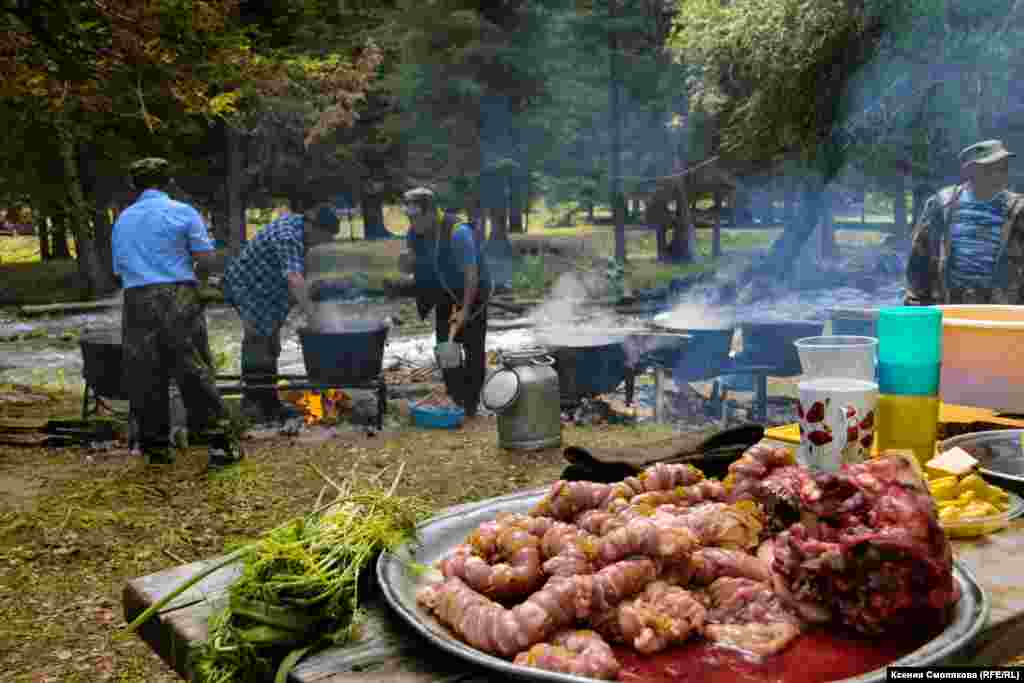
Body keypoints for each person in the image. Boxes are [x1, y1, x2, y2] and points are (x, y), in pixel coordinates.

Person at [111, 158, 239, 467]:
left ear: (134, 186)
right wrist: (202, 276)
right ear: (169, 183)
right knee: (192, 369)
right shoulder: (183, 212)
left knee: (145, 373)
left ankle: (155, 449)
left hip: (137, 300)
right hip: (178, 295)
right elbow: (206, 259)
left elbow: (119, 269)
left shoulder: (123, 220)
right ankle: (219, 443)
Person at [223, 203, 340, 423]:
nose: (322, 243)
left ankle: (268, 402)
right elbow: (294, 278)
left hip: (268, 287)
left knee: (270, 344)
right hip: (249, 286)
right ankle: (254, 405)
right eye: (324, 238)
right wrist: (312, 317)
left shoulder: (299, 225)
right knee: (258, 340)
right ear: (315, 228)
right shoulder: (289, 236)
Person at [399, 187, 492, 418]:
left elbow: (472, 275)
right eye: (409, 217)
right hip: (445, 292)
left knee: (473, 348)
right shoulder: (413, 233)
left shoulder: (457, 232)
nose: (413, 223)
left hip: (473, 291)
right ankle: (457, 399)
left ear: (431, 211)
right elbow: (411, 265)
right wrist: (406, 264)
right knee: (446, 348)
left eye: (417, 217)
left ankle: (471, 403)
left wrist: (465, 311)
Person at [906, 139, 1024, 306]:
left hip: (1001, 308)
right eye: (991, 168)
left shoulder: (1018, 210)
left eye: (1004, 167)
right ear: (970, 172)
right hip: (949, 303)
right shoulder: (942, 205)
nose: (1001, 174)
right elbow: (919, 259)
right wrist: (915, 303)